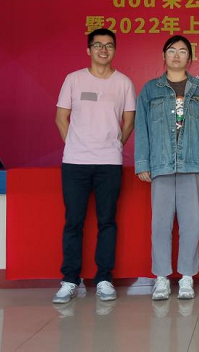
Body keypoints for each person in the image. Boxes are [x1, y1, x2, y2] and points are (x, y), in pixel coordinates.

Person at [52, 28, 136, 304]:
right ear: (89, 50)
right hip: (75, 162)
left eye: (109, 45)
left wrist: (114, 146)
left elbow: (129, 122)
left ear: (115, 50)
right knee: (73, 222)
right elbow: (61, 118)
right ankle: (69, 280)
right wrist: (74, 145)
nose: (103, 50)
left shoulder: (123, 83)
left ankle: (104, 280)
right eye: (98, 45)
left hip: (108, 163)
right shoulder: (73, 79)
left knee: (107, 222)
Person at [135, 35, 199, 301]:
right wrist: (143, 162)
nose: (177, 55)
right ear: (164, 56)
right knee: (160, 225)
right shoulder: (150, 89)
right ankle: (161, 277)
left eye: (183, 51)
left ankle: (186, 277)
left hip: (191, 164)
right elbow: (141, 129)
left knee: (191, 225)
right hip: (161, 164)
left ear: (189, 58)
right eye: (172, 51)